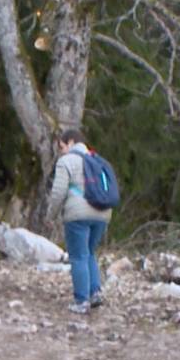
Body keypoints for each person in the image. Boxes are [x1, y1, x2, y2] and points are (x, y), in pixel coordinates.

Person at [46, 128, 112, 314]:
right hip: (102, 214)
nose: (61, 151)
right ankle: (95, 292)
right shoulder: (97, 160)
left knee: (78, 256)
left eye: (62, 146)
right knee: (89, 252)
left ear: (71, 142)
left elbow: (58, 192)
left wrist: (51, 216)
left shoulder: (66, 161)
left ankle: (81, 301)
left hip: (77, 215)